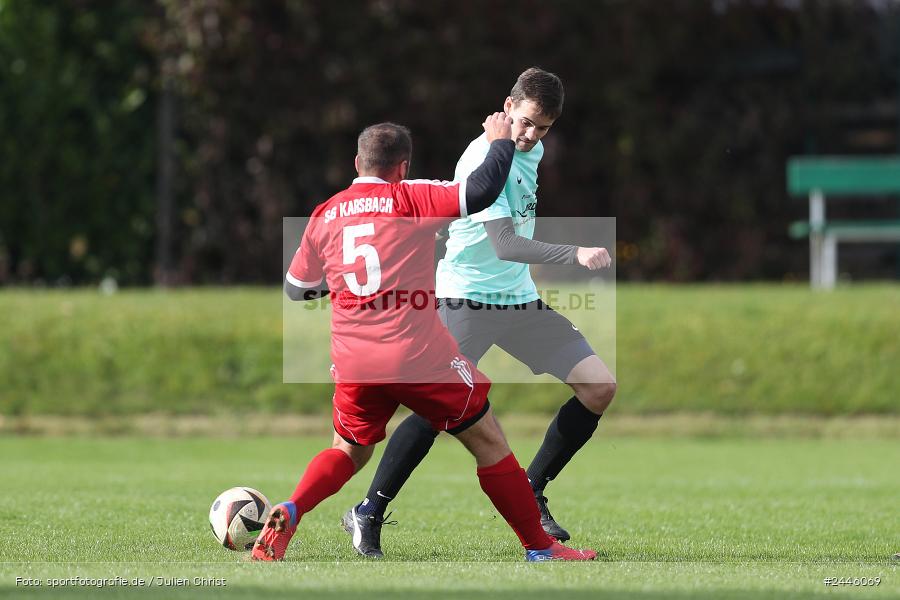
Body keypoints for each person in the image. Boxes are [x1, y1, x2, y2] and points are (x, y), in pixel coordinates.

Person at [252, 114, 596, 562]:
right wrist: (499, 142)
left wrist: (339, 285)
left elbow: (297, 289)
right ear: (403, 167)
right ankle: (540, 547)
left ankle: (294, 508)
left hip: (355, 362)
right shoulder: (410, 197)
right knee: (489, 441)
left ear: (357, 163)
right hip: (417, 356)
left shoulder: (325, 213)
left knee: (348, 450)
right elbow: (479, 192)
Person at [343, 67, 616, 558]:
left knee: (599, 387)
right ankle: (368, 510)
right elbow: (505, 244)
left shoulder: (534, 150)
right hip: (465, 299)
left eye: (543, 128)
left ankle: (532, 490)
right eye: (526, 122)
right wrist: (574, 254)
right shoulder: (482, 156)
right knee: (436, 408)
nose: (531, 136)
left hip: (518, 298)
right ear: (508, 107)